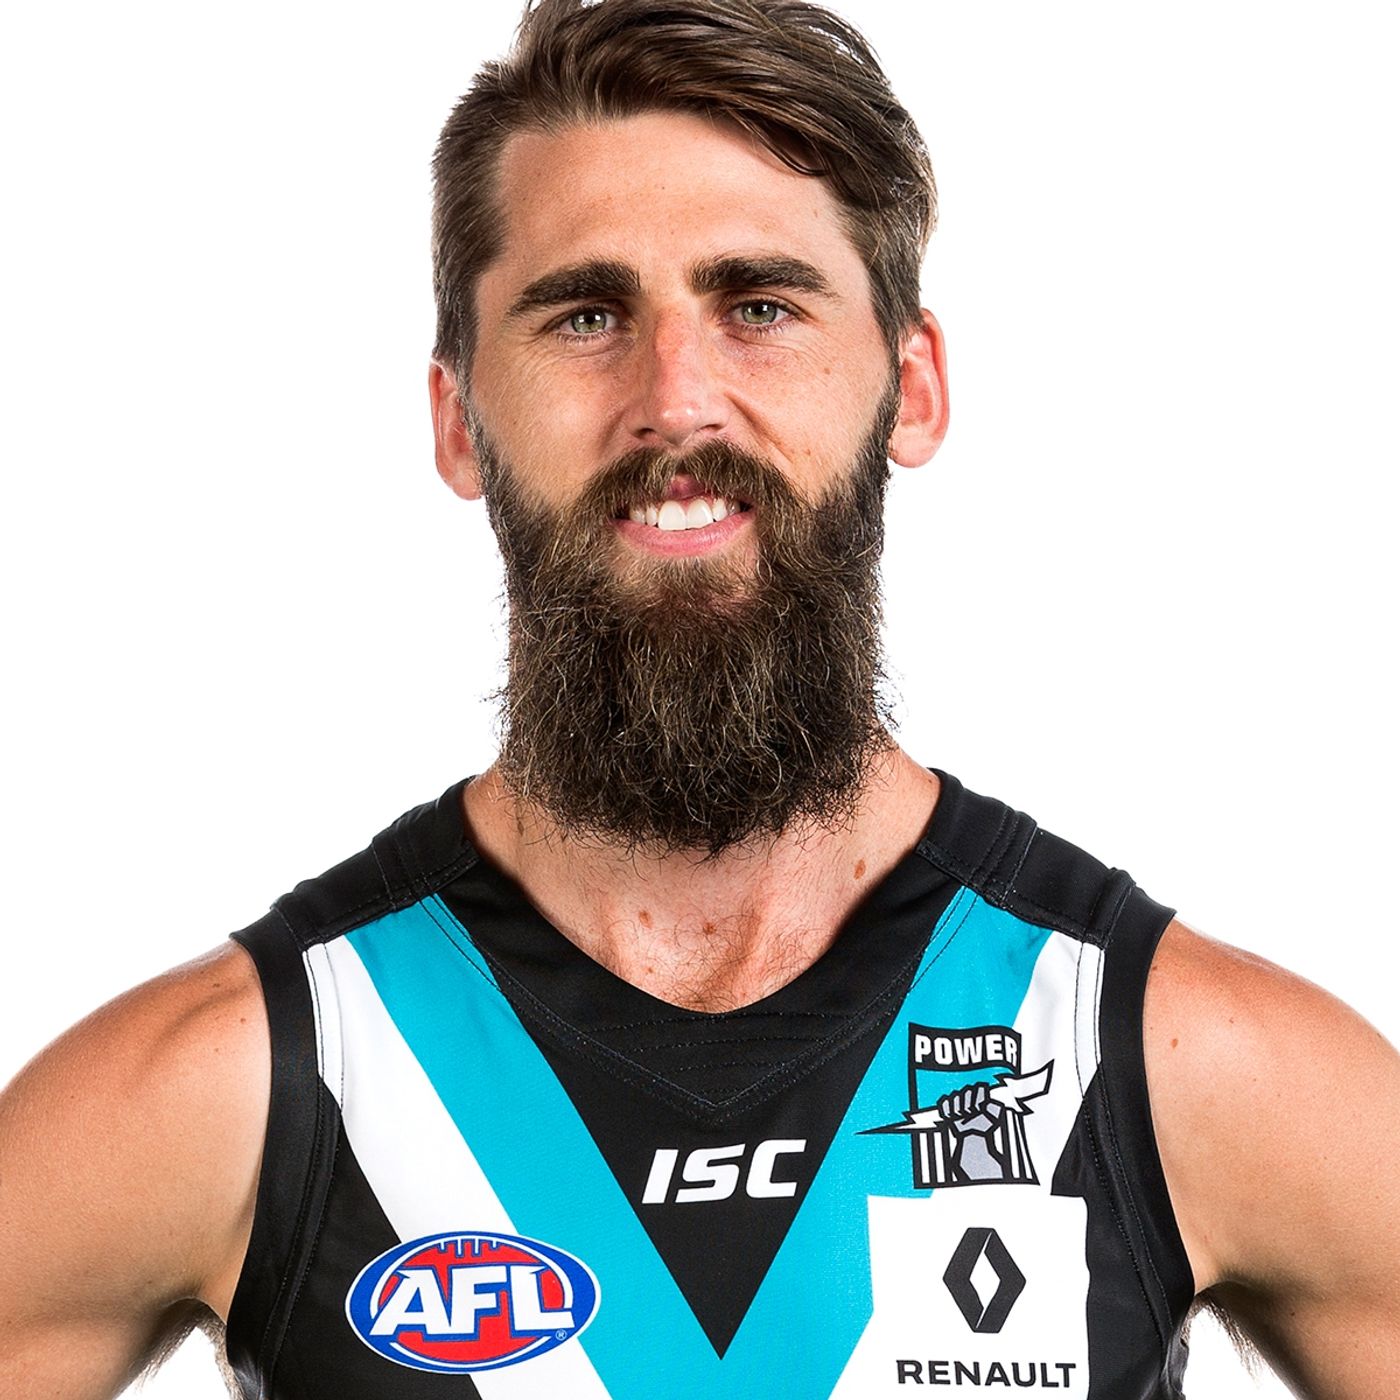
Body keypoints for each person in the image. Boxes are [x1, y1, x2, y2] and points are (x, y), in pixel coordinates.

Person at [1, 1, 1397, 1397]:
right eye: (587, 315)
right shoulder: (222, 1092)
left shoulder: (1189, 1067)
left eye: (760, 308)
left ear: (912, 387)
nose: (676, 402)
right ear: (457, 418)